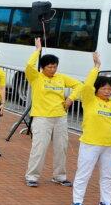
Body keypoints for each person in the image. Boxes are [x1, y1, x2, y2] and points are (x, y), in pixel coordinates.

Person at [70, 53, 111, 205]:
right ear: (97, 89)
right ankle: (77, 201)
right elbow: (87, 85)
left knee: (108, 175)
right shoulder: (90, 100)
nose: (107, 91)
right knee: (84, 173)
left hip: (110, 146)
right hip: (90, 143)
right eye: (103, 88)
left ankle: (106, 201)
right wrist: (96, 68)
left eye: (109, 89)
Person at [24, 39, 81, 188]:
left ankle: (59, 176)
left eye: (55, 66)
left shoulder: (61, 78)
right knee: (39, 148)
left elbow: (79, 85)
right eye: (49, 67)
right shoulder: (36, 77)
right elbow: (29, 66)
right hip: (42, 118)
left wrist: (70, 98)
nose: (53, 69)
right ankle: (32, 176)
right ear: (43, 67)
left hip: (60, 117)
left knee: (61, 148)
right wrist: (37, 50)